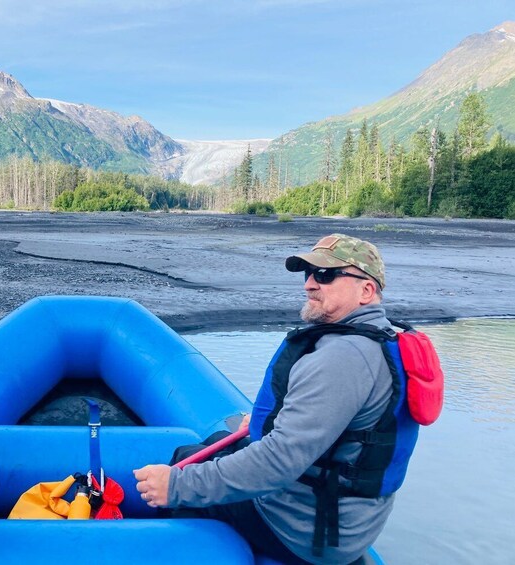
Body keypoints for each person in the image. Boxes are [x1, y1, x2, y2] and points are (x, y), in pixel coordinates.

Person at [134, 233, 421, 564]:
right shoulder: (381, 340)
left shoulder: (343, 358)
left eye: (326, 275)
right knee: (215, 441)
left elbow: (277, 463)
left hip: (304, 529)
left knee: (185, 462)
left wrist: (176, 486)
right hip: (344, 517)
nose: (310, 284)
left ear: (366, 290)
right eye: (308, 274)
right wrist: (265, 423)